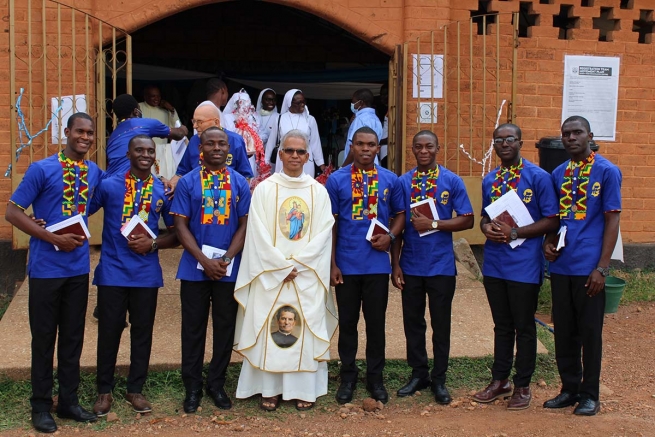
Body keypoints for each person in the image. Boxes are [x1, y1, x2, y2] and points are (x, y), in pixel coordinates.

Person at [5, 113, 103, 433]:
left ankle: (69, 402)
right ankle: (41, 406)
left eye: (90, 133)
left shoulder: (93, 172)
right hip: (46, 269)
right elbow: (12, 212)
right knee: (44, 339)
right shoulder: (42, 168)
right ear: (67, 133)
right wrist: (48, 235)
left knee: (73, 338)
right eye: (80, 131)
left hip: (77, 269)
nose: (85, 137)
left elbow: (116, 190)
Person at [234, 130, 336, 412]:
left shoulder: (318, 191)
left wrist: (299, 264)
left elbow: (323, 232)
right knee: (270, 327)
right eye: (289, 151)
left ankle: (304, 389)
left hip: (306, 274)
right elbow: (257, 232)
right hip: (272, 274)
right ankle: (270, 389)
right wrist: (280, 266)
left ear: (307, 156)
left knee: (304, 328)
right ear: (280, 154)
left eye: (300, 152)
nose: (294, 156)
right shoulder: (266, 189)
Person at [89, 135, 178, 417]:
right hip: (112, 272)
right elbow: (80, 210)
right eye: (139, 150)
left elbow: (178, 233)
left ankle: (135, 389)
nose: (145, 154)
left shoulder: (163, 191)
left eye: (150, 151)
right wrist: (44, 219)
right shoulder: (109, 185)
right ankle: (104, 391)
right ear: (128, 154)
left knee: (142, 333)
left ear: (155, 156)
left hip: (146, 274)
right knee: (109, 332)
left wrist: (154, 244)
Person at [472, 124, 559, 410]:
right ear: (494, 145)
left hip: (523, 265)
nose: (504, 143)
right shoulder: (489, 179)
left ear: (520, 142)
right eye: (498, 140)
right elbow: (485, 217)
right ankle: (500, 381)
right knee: (502, 326)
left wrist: (516, 233)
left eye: (510, 139)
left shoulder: (538, 177)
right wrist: (486, 228)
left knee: (524, 326)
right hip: (495, 264)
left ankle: (522, 385)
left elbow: (551, 220)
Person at [542, 116, 621, 416]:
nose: (571, 138)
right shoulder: (559, 172)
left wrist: (602, 267)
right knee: (564, 331)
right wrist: (548, 242)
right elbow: (555, 218)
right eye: (566, 134)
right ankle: (569, 389)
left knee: (590, 332)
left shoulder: (607, 171)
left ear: (590, 136)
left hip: (590, 268)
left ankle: (590, 394)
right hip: (562, 266)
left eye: (577, 132)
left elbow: (613, 219)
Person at [171, 126, 252, 413]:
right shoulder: (188, 182)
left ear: (229, 150)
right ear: (200, 149)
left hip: (228, 270)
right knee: (192, 330)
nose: (217, 148)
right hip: (195, 269)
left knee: (224, 328)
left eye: (222, 144)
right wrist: (204, 261)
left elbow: (245, 225)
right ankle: (192, 387)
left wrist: (227, 259)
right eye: (210, 144)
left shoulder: (240, 182)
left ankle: (216, 384)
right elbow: (180, 225)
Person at [391, 130, 474, 405]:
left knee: (441, 325)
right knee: (413, 323)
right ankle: (419, 374)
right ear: (412, 149)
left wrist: (434, 224)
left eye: (429, 146)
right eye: (418, 146)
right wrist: (396, 265)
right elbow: (399, 226)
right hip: (411, 265)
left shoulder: (451, 180)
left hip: (440, 267)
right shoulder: (404, 182)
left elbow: (468, 219)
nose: (423, 150)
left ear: (438, 147)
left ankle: (439, 379)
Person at [326, 126, 404, 404]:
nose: (366, 149)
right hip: (346, 265)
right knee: (347, 324)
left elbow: (400, 215)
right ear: (352, 146)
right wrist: (332, 263)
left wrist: (391, 239)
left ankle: (375, 378)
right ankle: (347, 377)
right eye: (360, 144)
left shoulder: (390, 180)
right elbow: (331, 225)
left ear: (378, 148)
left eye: (371, 144)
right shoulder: (335, 181)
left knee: (375, 325)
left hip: (376, 267)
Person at [169, 102, 253, 194]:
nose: (195, 126)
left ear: (216, 122)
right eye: (194, 121)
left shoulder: (235, 140)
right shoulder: (194, 140)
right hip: (196, 197)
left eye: (200, 122)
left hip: (226, 197)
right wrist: (171, 185)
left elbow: (246, 177)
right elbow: (182, 173)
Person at [106, 94, 187, 177]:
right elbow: (179, 134)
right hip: (131, 180)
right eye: (139, 108)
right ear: (136, 111)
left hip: (111, 180)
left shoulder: (113, 136)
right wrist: (183, 129)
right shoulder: (146, 124)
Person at [265, 89, 325, 177]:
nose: (302, 104)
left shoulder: (310, 119)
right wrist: (266, 162)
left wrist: (321, 164)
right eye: (299, 102)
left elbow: (315, 143)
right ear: (289, 103)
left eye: (304, 101)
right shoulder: (280, 119)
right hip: (284, 159)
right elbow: (271, 141)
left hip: (305, 160)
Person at [139, 85, 182, 180]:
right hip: (144, 152)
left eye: (158, 96)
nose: (156, 99)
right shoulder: (139, 108)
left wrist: (171, 109)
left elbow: (177, 126)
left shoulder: (165, 112)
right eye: (153, 96)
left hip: (162, 152)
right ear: (145, 96)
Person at [221, 90, 264, 176]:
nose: (242, 106)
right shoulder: (226, 117)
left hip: (250, 157)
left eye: (245, 103)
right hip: (232, 154)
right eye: (240, 103)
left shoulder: (253, 118)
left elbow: (260, 134)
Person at [341, 88, 383, 167]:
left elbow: (353, 149)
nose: (352, 104)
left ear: (361, 103)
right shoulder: (376, 119)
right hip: (372, 165)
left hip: (357, 167)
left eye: (353, 102)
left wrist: (342, 168)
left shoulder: (360, 120)